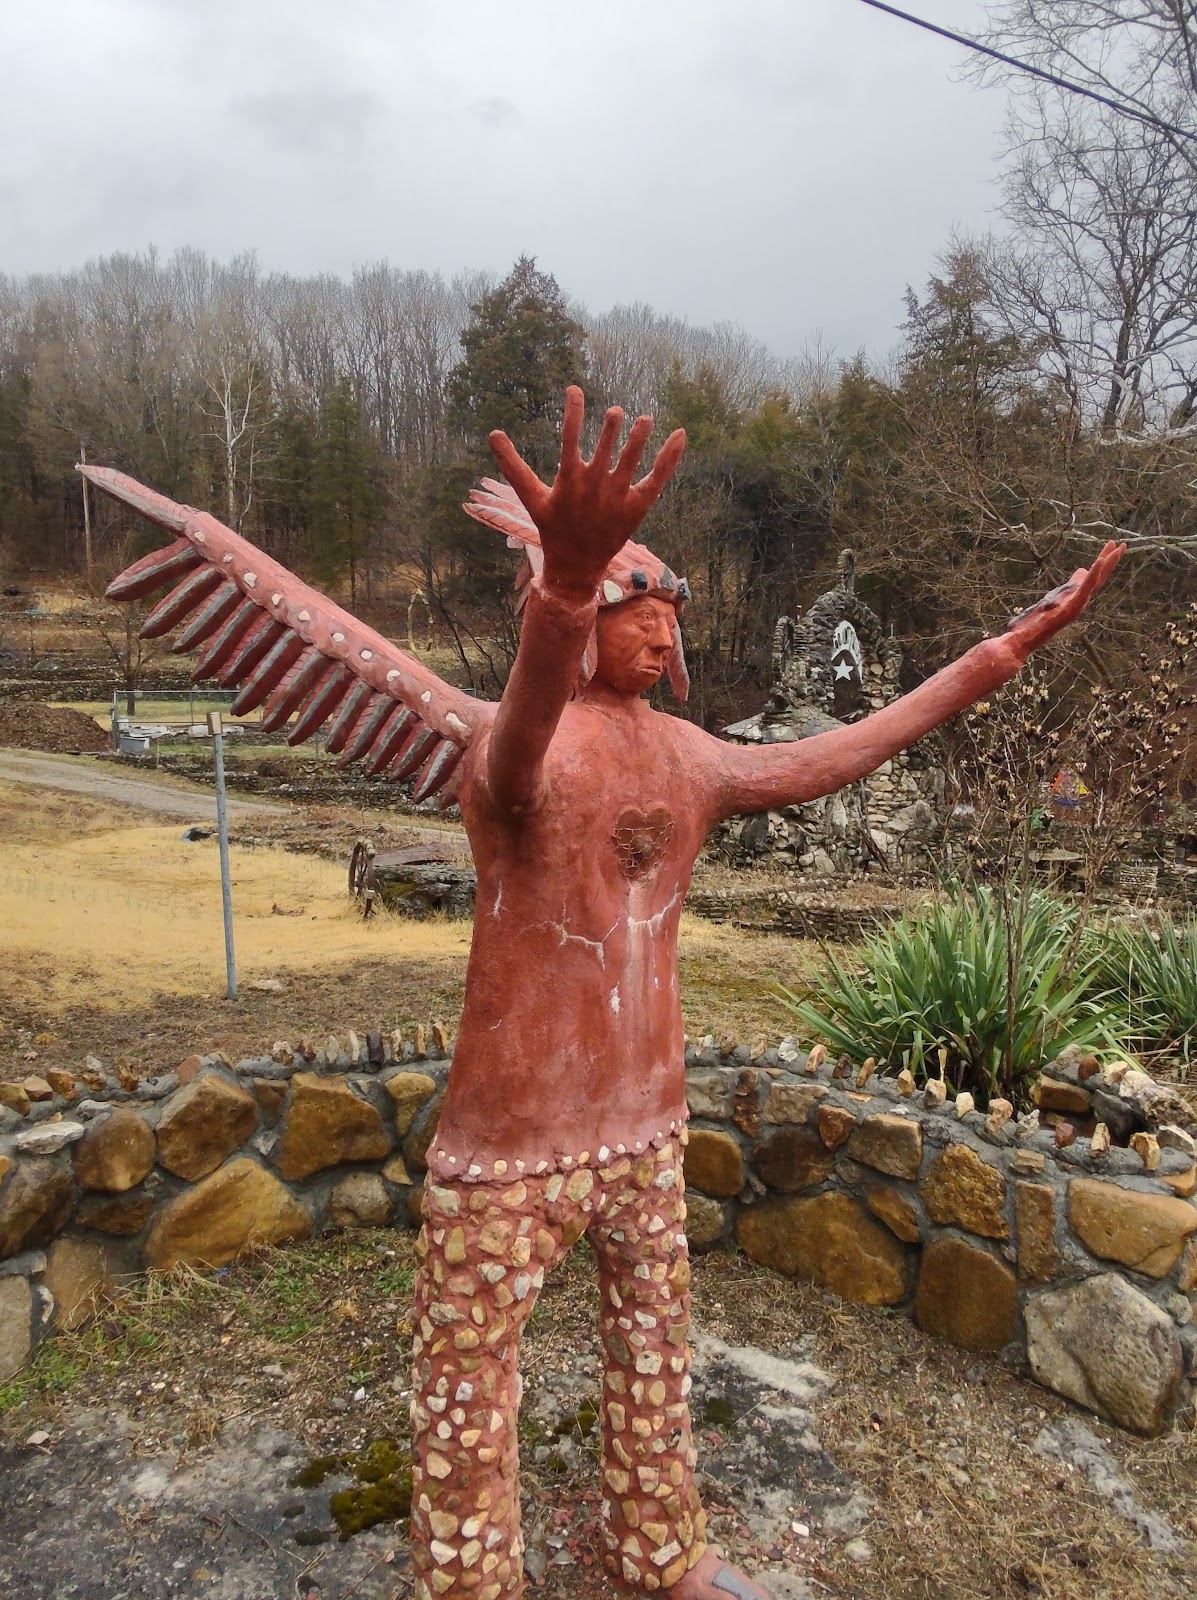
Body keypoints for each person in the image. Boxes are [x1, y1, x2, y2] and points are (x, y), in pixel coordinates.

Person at [87, 390, 1122, 1600]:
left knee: (654, 1349)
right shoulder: (509, 752)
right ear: (584, 620)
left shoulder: (689, 756)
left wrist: (1000, 654)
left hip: (644, 1122)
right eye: (636, 609)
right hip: (512, 1141)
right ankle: (475, 1582)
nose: (659, 633)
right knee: (472, 1382)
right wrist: (563, 591)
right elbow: (519, 743)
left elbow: (845, 749)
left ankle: (659, 1547)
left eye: (662, 615)